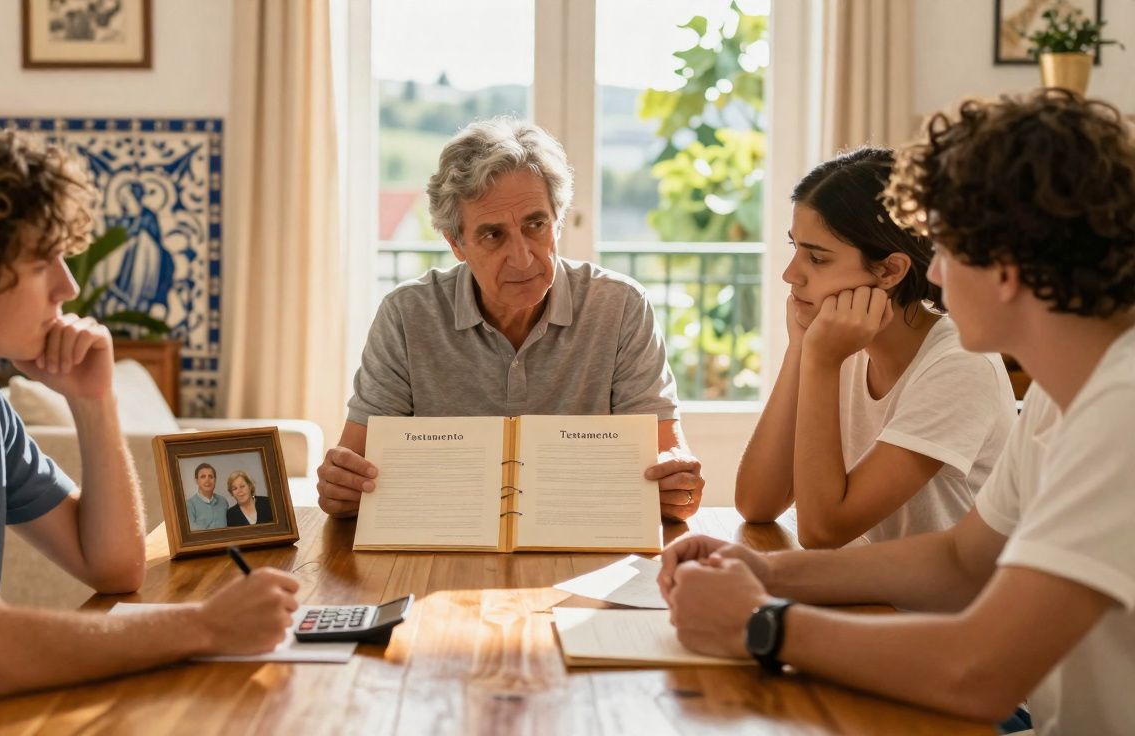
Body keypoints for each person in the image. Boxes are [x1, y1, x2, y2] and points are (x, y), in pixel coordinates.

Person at [659, 89, 1135, 734]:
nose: (933, 274)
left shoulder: (1121, 411)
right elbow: (961, 564)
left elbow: (980, 672)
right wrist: (769, 571)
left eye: (949, 247)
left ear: (1007, 269)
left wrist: (761, 624)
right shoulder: (1063, 391)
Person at [0, 124, 299, 735]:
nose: (68, 288)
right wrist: (207, 625)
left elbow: (112, 567)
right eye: (41, 261)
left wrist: (93, 401)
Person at [317, 117, 703, 522]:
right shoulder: (407, 314)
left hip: (586, 550)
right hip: (443, 550)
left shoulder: (621, 306)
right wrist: (342, 487)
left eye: (535, 225)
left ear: (558, 220)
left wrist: (677, 484)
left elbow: (667, 457)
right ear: (456, 244)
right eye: (492, 235)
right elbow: (355, 469)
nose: (522, 257)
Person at [734, 147, 1016, 547]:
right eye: (795, 247)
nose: (789, 274)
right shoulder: (843, 342)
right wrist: (800, 349)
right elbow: (756, 502)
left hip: (943, 607)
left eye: (816, 258)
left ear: (889, 270)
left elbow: (822, 531)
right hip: (873, 593)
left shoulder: (960, 366)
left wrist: (819, 360)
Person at [186, 462, 228, 530]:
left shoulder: (223, 502)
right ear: (197, 481)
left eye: (211, 477)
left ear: (215, 480)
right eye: (203, 477)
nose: (207, 480)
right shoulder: (189, 505)